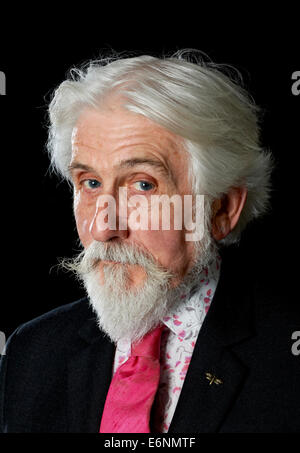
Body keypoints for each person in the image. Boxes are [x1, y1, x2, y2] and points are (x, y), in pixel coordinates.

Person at [0, 50, 299, 433]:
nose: (104, 227)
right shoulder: (33, 350)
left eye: (142, 185)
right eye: (90, 183)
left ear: (221, 209)